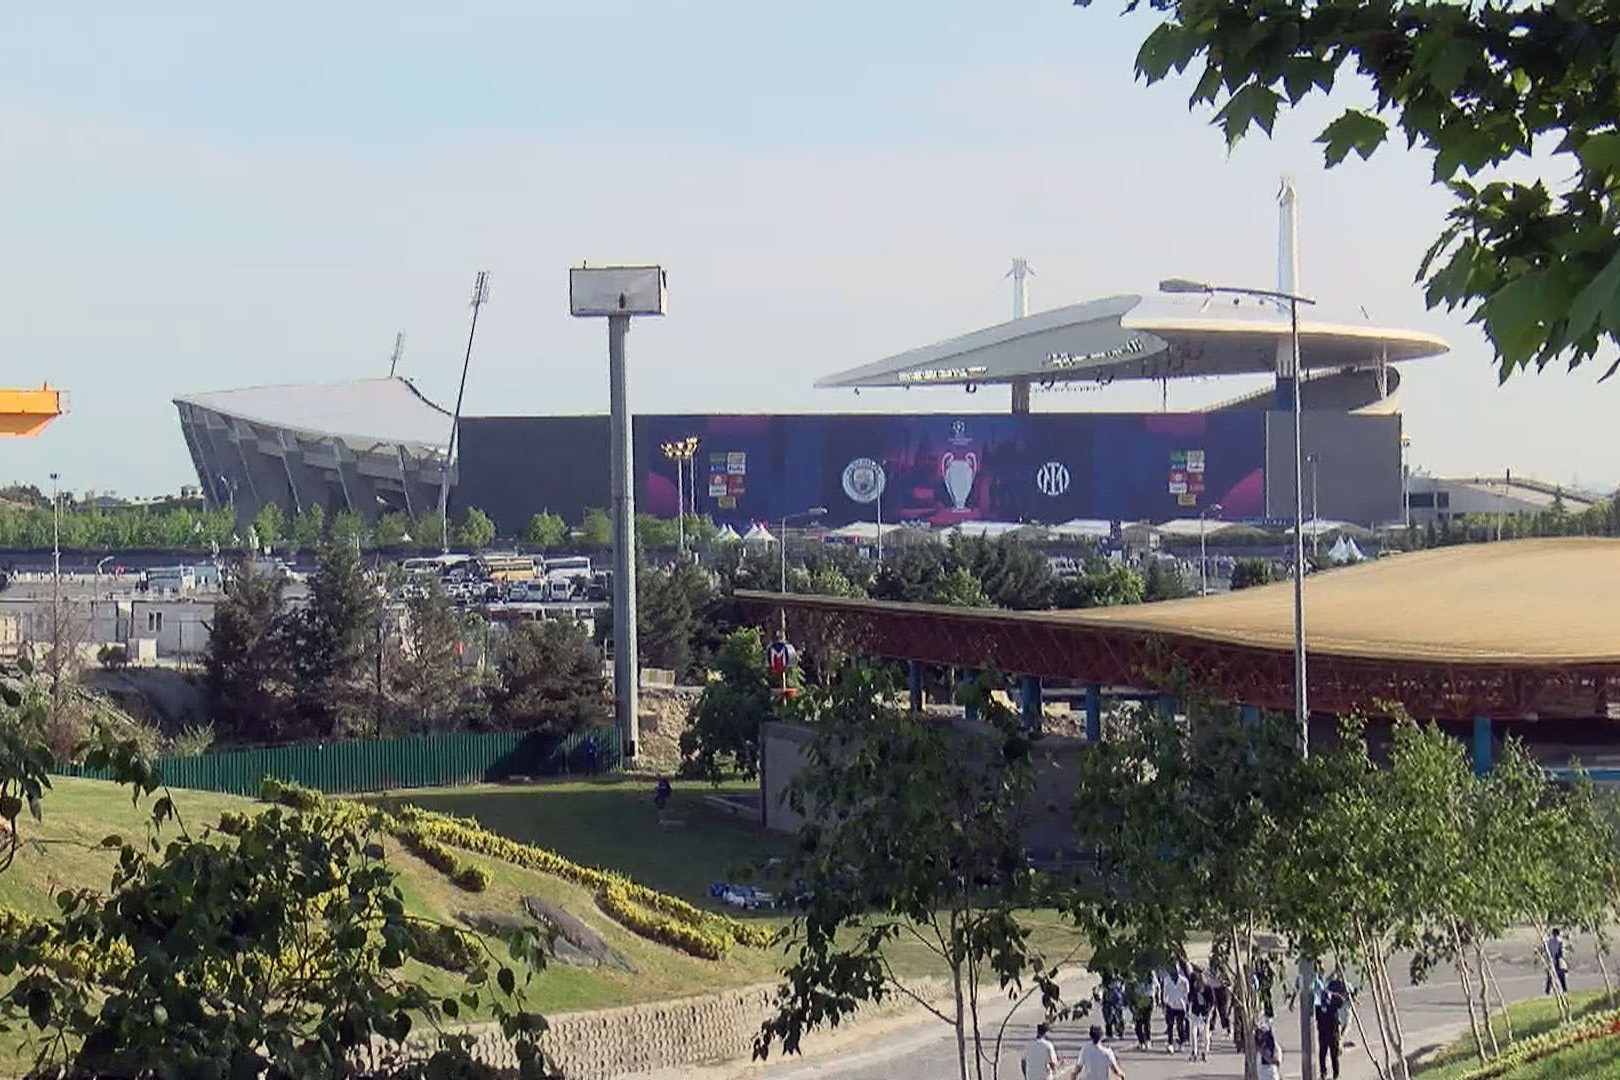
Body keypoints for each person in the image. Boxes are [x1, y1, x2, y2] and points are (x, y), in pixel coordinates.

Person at [1314, 972, 1345, 1080]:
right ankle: (1323, 1072)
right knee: (1322, 1055)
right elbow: (1317, 1017)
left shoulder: (1333, 1005)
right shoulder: (1319, 1008)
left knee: (1334, 1056)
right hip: (1323, 1034)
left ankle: (1335, 1074)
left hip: (1333, 1034)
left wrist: (1332, 995)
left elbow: (1341, 1001)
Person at [1160, 964, 1190, 1054]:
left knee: (1180, 1026)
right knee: (1170, 1026)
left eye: (1176, 971)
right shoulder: (1167, 980)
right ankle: (1170, 1043)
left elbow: (1187, 994)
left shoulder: (1184, 981)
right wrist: (1165, 1003)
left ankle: (1181, 1041)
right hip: (1170, 1005)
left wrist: (1186, 1005)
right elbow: (1164, 993)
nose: (1174, 973)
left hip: (1180, 1006)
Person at [1187, 965, 1214, 1062]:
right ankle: (1193, 1052)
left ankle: (1205, 1052)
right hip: (1195, 1012)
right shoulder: (1193, 984)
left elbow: (1212, 1002)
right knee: (1193, 1033)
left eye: (1199, 974)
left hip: (1205, 1013)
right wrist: (1188, 1008)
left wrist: (1209, 1014)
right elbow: (1190, 996)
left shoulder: (1208, 987)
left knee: (1205, 1036)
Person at [1128, 971, 1156, 1051]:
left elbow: (1153, 990)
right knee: (1139, 1024)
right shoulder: (1136, 978)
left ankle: (1147, 1040)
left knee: (1146, 1022)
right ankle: (1142, 1041)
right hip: (1140, 1000)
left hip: (1147, 1000)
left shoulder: (1151, 977)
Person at [1100, 974, 1127, 1042]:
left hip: (1117, 1001)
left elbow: (1121, 991)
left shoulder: (1119, 983)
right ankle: (1110, 1034)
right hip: (1109, 1000)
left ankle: (1120, 1032)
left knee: (1118, 1017)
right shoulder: (1107, 984)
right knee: (1109, 1018)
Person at [1546, 928, 1570, 994]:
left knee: (1550, 977)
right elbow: (1562, 953)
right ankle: (1565, 991)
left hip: (1552, 961)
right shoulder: (1561, 942)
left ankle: (1548, 991)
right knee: (1562, 978)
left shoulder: (1549, 941)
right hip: (1559, 961)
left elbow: (1548, 951)